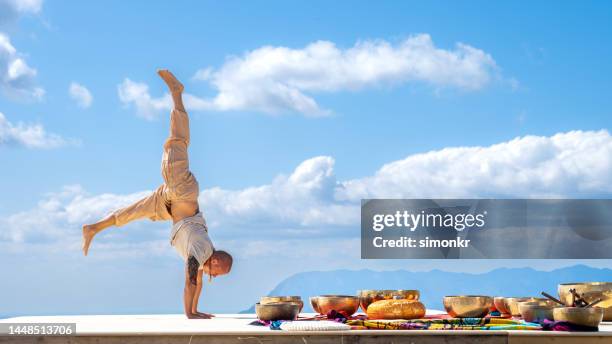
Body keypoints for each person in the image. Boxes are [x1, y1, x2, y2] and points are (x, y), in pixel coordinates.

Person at [81, 70, 232, 319]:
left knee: (132, 212)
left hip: (168, 204)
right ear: (215, 262)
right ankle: (177, 94)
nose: (213, 276)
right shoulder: (201, 251)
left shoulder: (205, 254)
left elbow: (198, 282)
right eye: (217, 273)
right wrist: (189, 314)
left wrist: (196, 311)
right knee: (178, 141)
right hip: (181, 190)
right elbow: (190, 282)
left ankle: (93, 228)